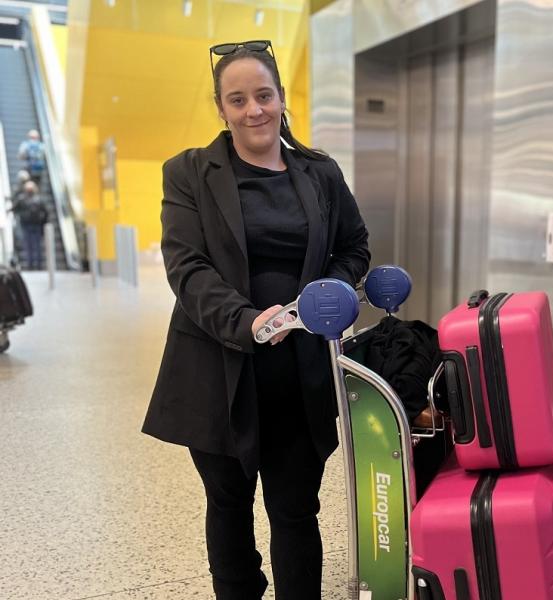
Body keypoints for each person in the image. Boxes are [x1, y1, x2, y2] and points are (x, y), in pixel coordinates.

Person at [141, 40, 370, 600]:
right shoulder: (189, 173)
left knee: (295, 509)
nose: (254, 110)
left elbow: (355, 246)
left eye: (263, 95)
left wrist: (325, 294)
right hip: (217, 368)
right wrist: (247, 322)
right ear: (221, 107)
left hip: (299, 371)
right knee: (228, 503)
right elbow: (187, 267)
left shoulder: (320, 172)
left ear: (282, 99)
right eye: (237, 99)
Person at [9, 180, 48, 270]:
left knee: (35, 246)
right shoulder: (24, 199)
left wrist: (43, 222)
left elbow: (45, 212)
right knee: (30, 246)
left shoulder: (36, 199)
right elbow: (14, 208)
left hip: (34, 225)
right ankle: (32, 265)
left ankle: (37, 265)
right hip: (27, 225)